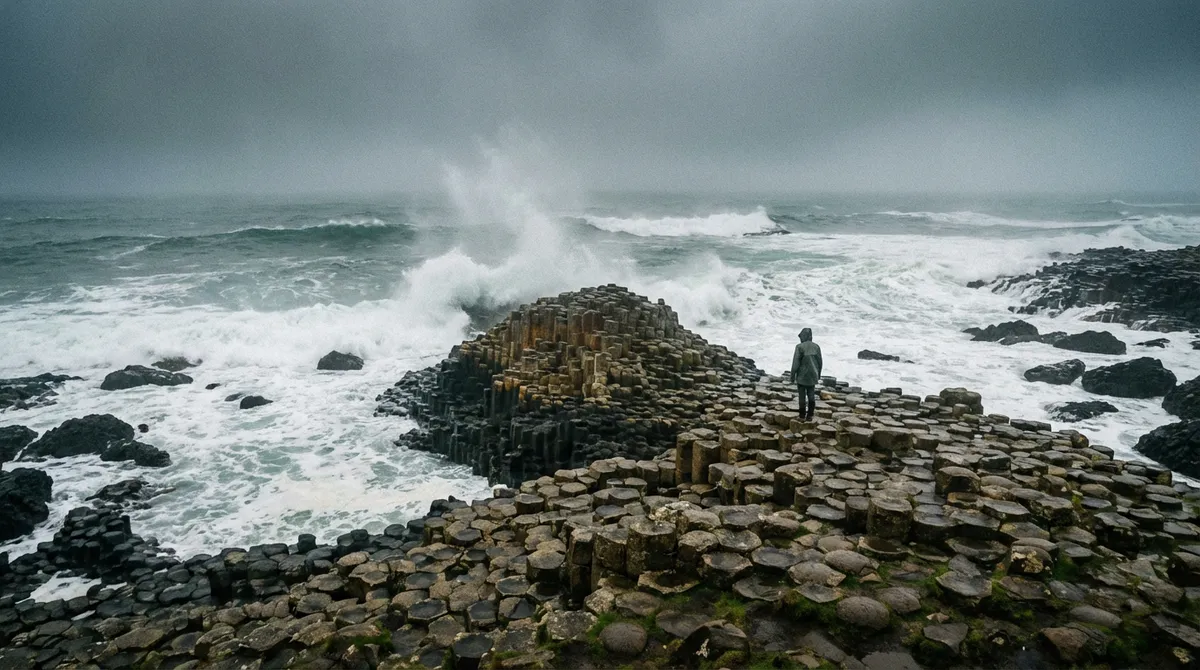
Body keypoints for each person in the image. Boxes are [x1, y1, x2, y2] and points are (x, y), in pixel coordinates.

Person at [790, 328, 822, 421]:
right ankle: (810, 415)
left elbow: (795, 363)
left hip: (802, 376)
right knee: (811, 395)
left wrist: (792, 376)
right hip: (813, 376)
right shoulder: (816, 347)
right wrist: (818, 374)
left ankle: (802, 415)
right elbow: (820, 362)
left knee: (802, 396)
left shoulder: (799, 347)